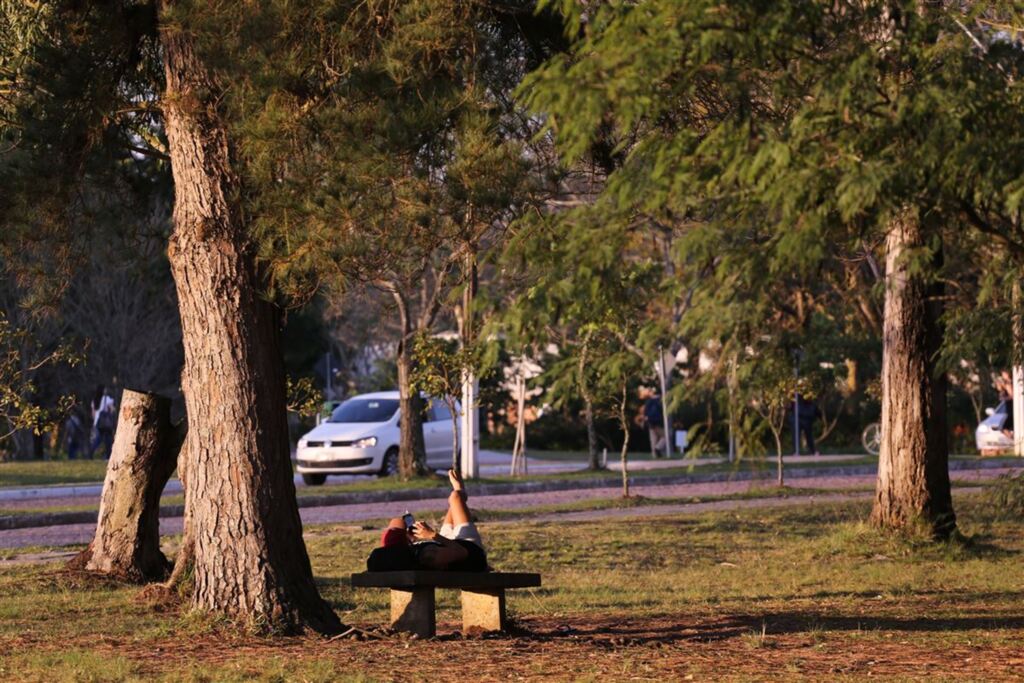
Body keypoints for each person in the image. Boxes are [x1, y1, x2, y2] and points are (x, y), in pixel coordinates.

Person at [368, 468, 488, 572]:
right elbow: (462, 552)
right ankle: (461, 492)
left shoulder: (402, 554)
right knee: (455, 497)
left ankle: (459, 494)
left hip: (443, 544)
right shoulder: (428, 556)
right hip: (468, 547)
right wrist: (431, 535)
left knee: (455, 502)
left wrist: (411, 538)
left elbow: (397, 522)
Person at [88, 385, 116, 459]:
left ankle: (91, 452)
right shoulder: (107, 399)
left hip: (97, 422)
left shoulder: (94, 400)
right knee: (108, 440)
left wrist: (95, 422)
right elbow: (112, 409)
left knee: (98, 439)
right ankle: (108, 456)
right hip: (106, 423)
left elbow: (93, 414)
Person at [643, 387, 666, 458]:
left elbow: (645, 413)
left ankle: (655, 455)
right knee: (665, 437)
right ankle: (658, 448)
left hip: (650, 422)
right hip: (658, 423)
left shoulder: (649, 401)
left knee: (653, 439)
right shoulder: (660, 401)